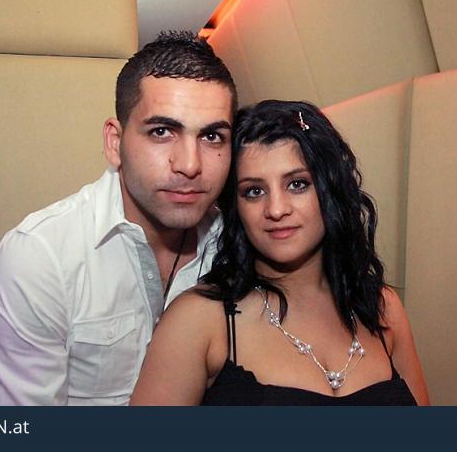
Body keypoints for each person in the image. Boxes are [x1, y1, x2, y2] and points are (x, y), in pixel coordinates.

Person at [0, 31, 237, 405]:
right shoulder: (40, 258)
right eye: (162, 131)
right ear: (115, 142)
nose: (190, 164)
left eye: (212, 137)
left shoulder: (236, 246)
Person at [130, 100, 429, 405]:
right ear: (236, 207)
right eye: (254, 191)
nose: (275, 209)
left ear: (329, 190)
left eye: (297, 184)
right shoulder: (197, 321)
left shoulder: (382, 307)